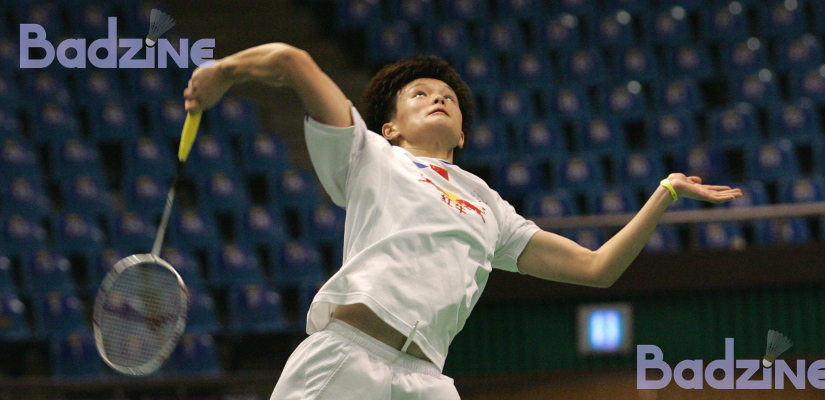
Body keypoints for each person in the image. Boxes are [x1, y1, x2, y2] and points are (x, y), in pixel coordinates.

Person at [183, 43, 742, 399]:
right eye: (420, 94)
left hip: (425, 380)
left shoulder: (488, 205)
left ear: (463, 134)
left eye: (447, 96)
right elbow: (290, 62)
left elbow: (597, 269)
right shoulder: (369, 157)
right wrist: (223, 73)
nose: (438, 99)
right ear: (390, 127)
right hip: (347, 359)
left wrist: (665, 193)